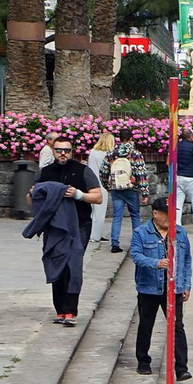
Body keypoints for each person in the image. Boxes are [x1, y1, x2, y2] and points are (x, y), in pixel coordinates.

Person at [30, 136, 102, 324]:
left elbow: (98, 197)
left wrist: (78, 195)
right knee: (57, 264)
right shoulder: (45, 172)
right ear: (52, 151)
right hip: (55, 227)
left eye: (67, 150)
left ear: (72, 152)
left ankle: (71, 310)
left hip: (80, 225)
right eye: (59, 150)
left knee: (73, 265)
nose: (63, 154)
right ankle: (60, 310)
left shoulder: (82, 171)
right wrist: (33, 194)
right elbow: (31, 199)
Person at [129, 195, 192, 381]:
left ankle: (181, 368)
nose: (169, 218)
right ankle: (143, 361)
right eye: (165, 214)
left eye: (172, 213)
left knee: (177, 327)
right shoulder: (141, 233)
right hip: (149, 288)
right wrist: (156, 263)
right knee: (146, 325)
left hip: (174, 289)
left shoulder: (180, 233)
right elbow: (136, 255)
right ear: (155, 213)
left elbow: (187, 259)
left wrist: (186, 284)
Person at [103, 141, 140, 253]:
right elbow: (141, 173)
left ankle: (115, 244)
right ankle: (136, 243)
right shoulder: (135, 154)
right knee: (135, 216)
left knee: (117, 217)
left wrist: (107, 185)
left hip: (116, 189)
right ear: (131, 139)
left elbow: (103, 171)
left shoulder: (110, 154)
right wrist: (144, 191)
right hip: (131, 189)